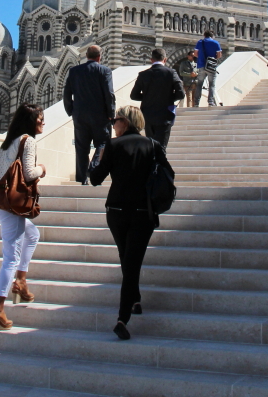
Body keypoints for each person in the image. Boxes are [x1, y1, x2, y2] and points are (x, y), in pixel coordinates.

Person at [90, 105, 170, 341]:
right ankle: (131, 302)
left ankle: (123, 317)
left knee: (127, 258)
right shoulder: (154, 146)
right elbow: (169, 175)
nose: (113, 124)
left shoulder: (112, 146)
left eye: (116, 120)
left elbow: (95, 179)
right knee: (131, 261)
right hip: (141, 211)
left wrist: (100, 158)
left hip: (116, 211)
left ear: (125, 122)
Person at [0, 104, 46, 332]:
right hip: (10, 205)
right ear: (32, 121)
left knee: (32, 234)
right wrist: (42, 169)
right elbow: (28, 173)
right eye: (40, 119)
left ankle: (21, 282)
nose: (43, 122)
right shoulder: (28, 141)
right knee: (10, 258)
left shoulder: (10, 140)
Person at [62, 44, 115, 185]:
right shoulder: (105, 71)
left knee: (81, 148)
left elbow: (67, 93)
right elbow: (109, 94)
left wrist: (71, 110)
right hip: (101, 116)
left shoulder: (74, 71)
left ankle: (82, 178)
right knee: (103, 143)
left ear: (86, 56)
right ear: (99, 57)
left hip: (79, 116)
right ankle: (94, 166)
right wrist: (111, 113)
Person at [130, 48, 185, 147]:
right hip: (165, 115)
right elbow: (181, 94)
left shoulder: (143, 74)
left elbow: (134, 95)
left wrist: (148, 97)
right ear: (165, 59)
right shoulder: (171, 73)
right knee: (161, 147)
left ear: (152, 60)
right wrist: (168, 97)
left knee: (151, 147)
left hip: (147, 115)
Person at [193, 31, 223, 106]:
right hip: (211, 67)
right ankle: (210, 102)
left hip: (201, 66)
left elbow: (195, 54)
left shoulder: (200, 42)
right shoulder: (216, 43)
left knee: (199, 84)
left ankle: (196, 103)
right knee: (211, 85)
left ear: (204, 35)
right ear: (212, 36)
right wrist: (212, 59)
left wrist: (201, 58)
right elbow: (219, 55)